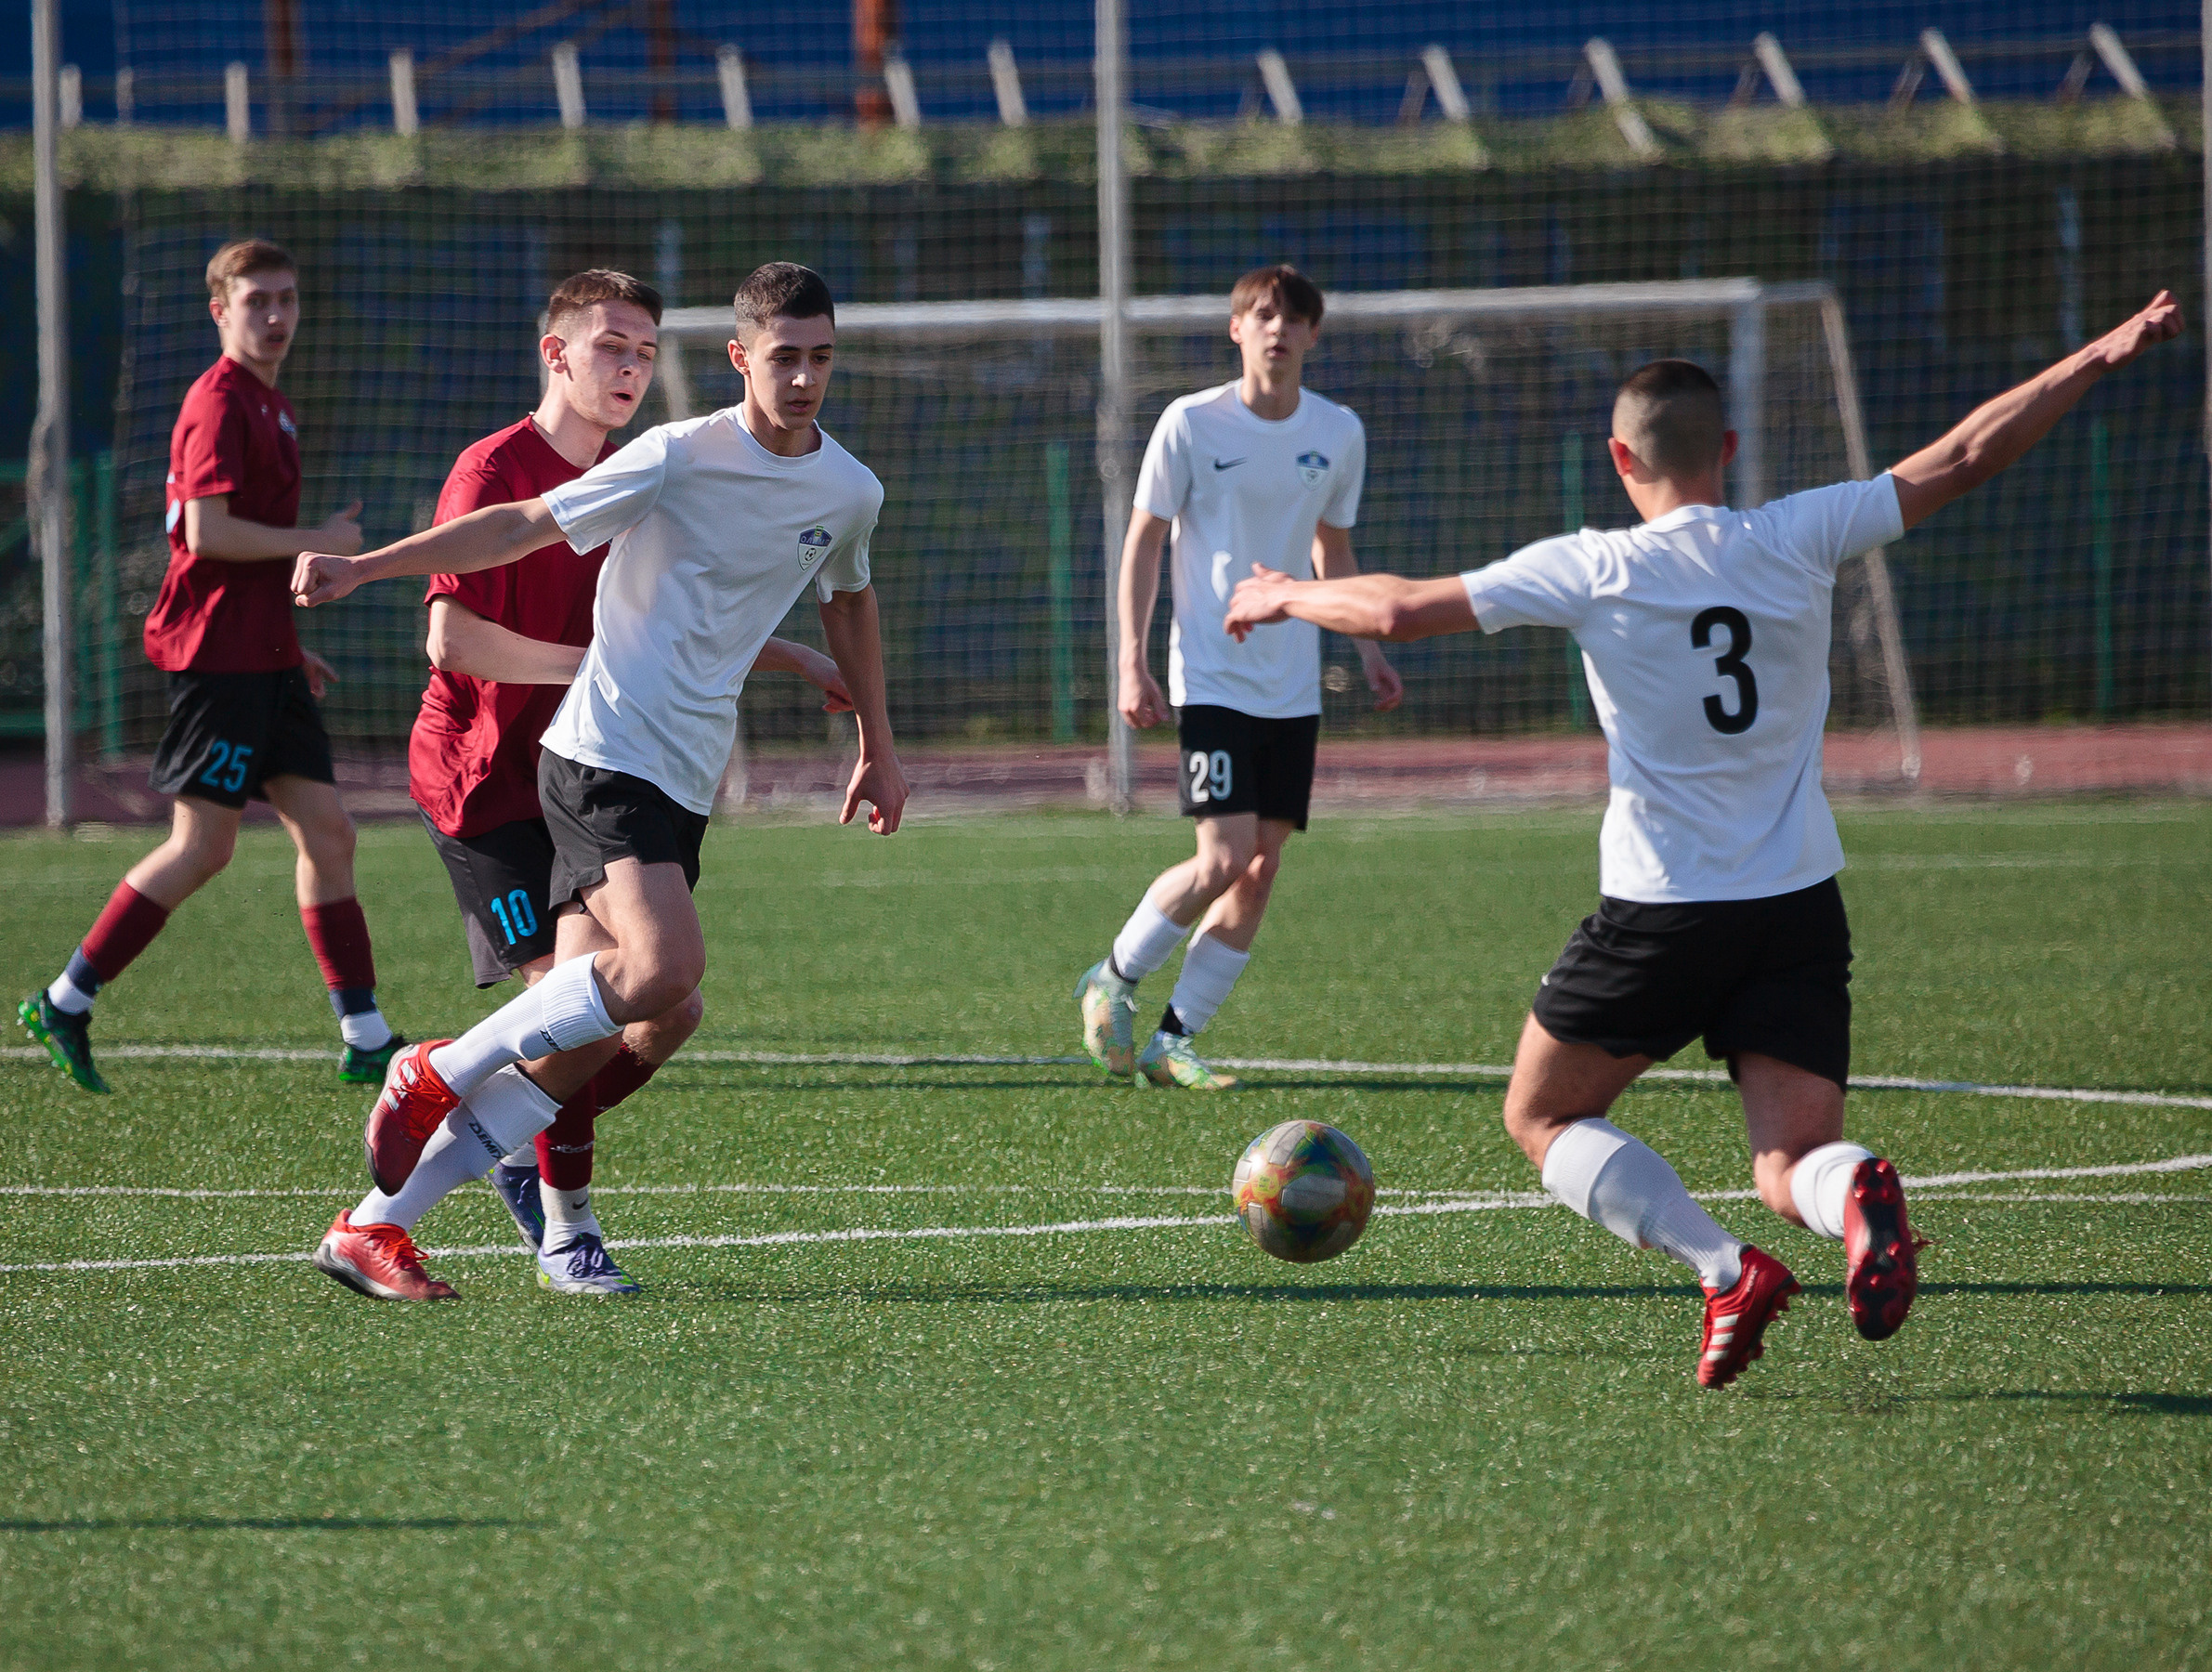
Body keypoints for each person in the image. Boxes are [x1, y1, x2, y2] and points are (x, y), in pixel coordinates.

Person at [1222, 290, 2184, 1387]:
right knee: (1792, 1160)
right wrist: (2097, 355)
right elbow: (1963, 454)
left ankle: (1722, 1270)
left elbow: (1394, 609)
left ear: (1617, 461)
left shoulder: (1593, 567)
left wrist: (1288, 592)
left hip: (1662, 912)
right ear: (1724, 448)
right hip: (1796, 906)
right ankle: (1855, 1190)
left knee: (1540, 1116)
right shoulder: (1799, 532)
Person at [293, 262, 908, 1301]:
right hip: (599, 751)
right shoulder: (674, 455)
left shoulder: (850, 490)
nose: (802, 379)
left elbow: (848, 602)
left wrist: (879, 749)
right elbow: (521, 524)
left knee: (589, 1039)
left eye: (820, 359)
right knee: (665, 969)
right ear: (739, 359)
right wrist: (364, 569)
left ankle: (372, 1226)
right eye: (782, 358)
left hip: (683, 770)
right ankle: (435, 1073)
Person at [19, 238, 400, 1093]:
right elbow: (205, 534)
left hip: (263, 656)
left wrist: (289, 644)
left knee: (330, 833)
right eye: (257, 298)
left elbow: (242, 554)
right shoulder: (219, 402)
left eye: (288, 298)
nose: (275, 315)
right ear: (219, 309)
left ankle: (366, 1032)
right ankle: (66, 999)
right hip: (216, 660)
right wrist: (325, 543)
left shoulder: (271, 403)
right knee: (202, 847)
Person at [1073, 265, 1401, 1090]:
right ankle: (1112, 977)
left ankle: (1174, 1039)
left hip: (1291, 683)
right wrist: (1131, 660)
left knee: (1263, 863)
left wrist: (1365, 645)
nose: (1277, 330)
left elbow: (1332, 547)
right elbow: (1144, 540)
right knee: (1221, 855)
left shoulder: (1338, 431)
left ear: (1313, 336)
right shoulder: (1190, 424)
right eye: (1261, 316)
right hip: (1210, 674)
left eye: (1293, 319)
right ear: (1235, 330)